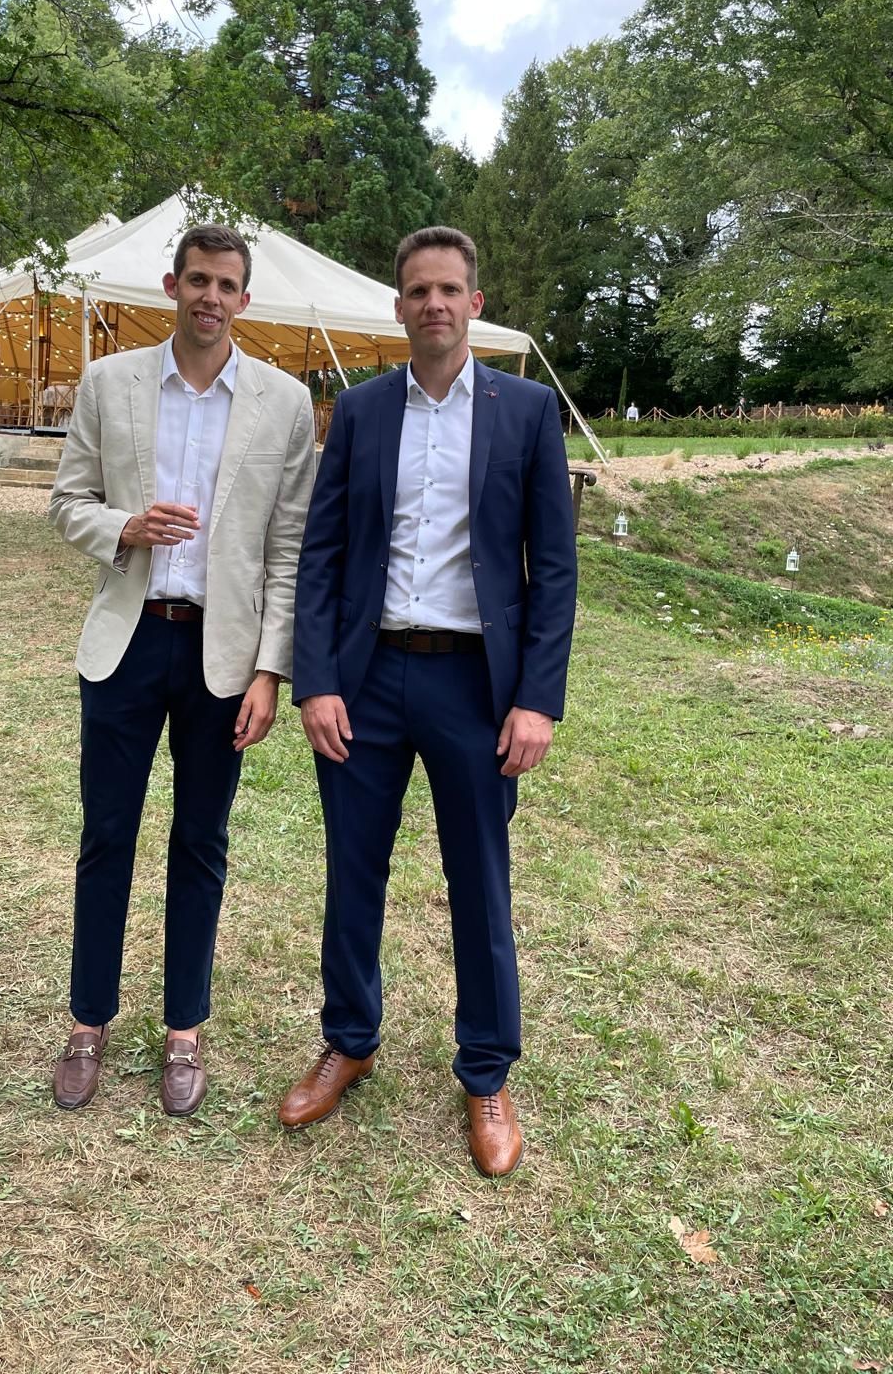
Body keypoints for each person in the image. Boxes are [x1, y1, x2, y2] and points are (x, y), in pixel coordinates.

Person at [278, 226, 577, 1177]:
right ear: (398, 305)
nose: (435, 304)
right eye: (418, 290)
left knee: (479, 881)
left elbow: (555, 569)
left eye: (451, 289)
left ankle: (486, 1070)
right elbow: (321, 556)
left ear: (474, 304)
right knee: (351, 870)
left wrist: (537, 700)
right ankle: (350, 1039)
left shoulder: (527, 413)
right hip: (366, 680)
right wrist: (316, 678)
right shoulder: (360, 412)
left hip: (473, 686)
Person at [48, 224, 316, 1117]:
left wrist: (272, 671)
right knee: (105, 839)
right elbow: (67, 502)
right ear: (172, 285)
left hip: (223, 658)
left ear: (245, 298)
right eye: (196, 279)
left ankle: (184, 1033)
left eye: (226, 284)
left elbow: (289, 549)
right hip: (127, 644)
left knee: (202, 843)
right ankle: (89, 1022)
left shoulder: (283, 404)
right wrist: (122, 526)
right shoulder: (110, 381)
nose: (209, 296)